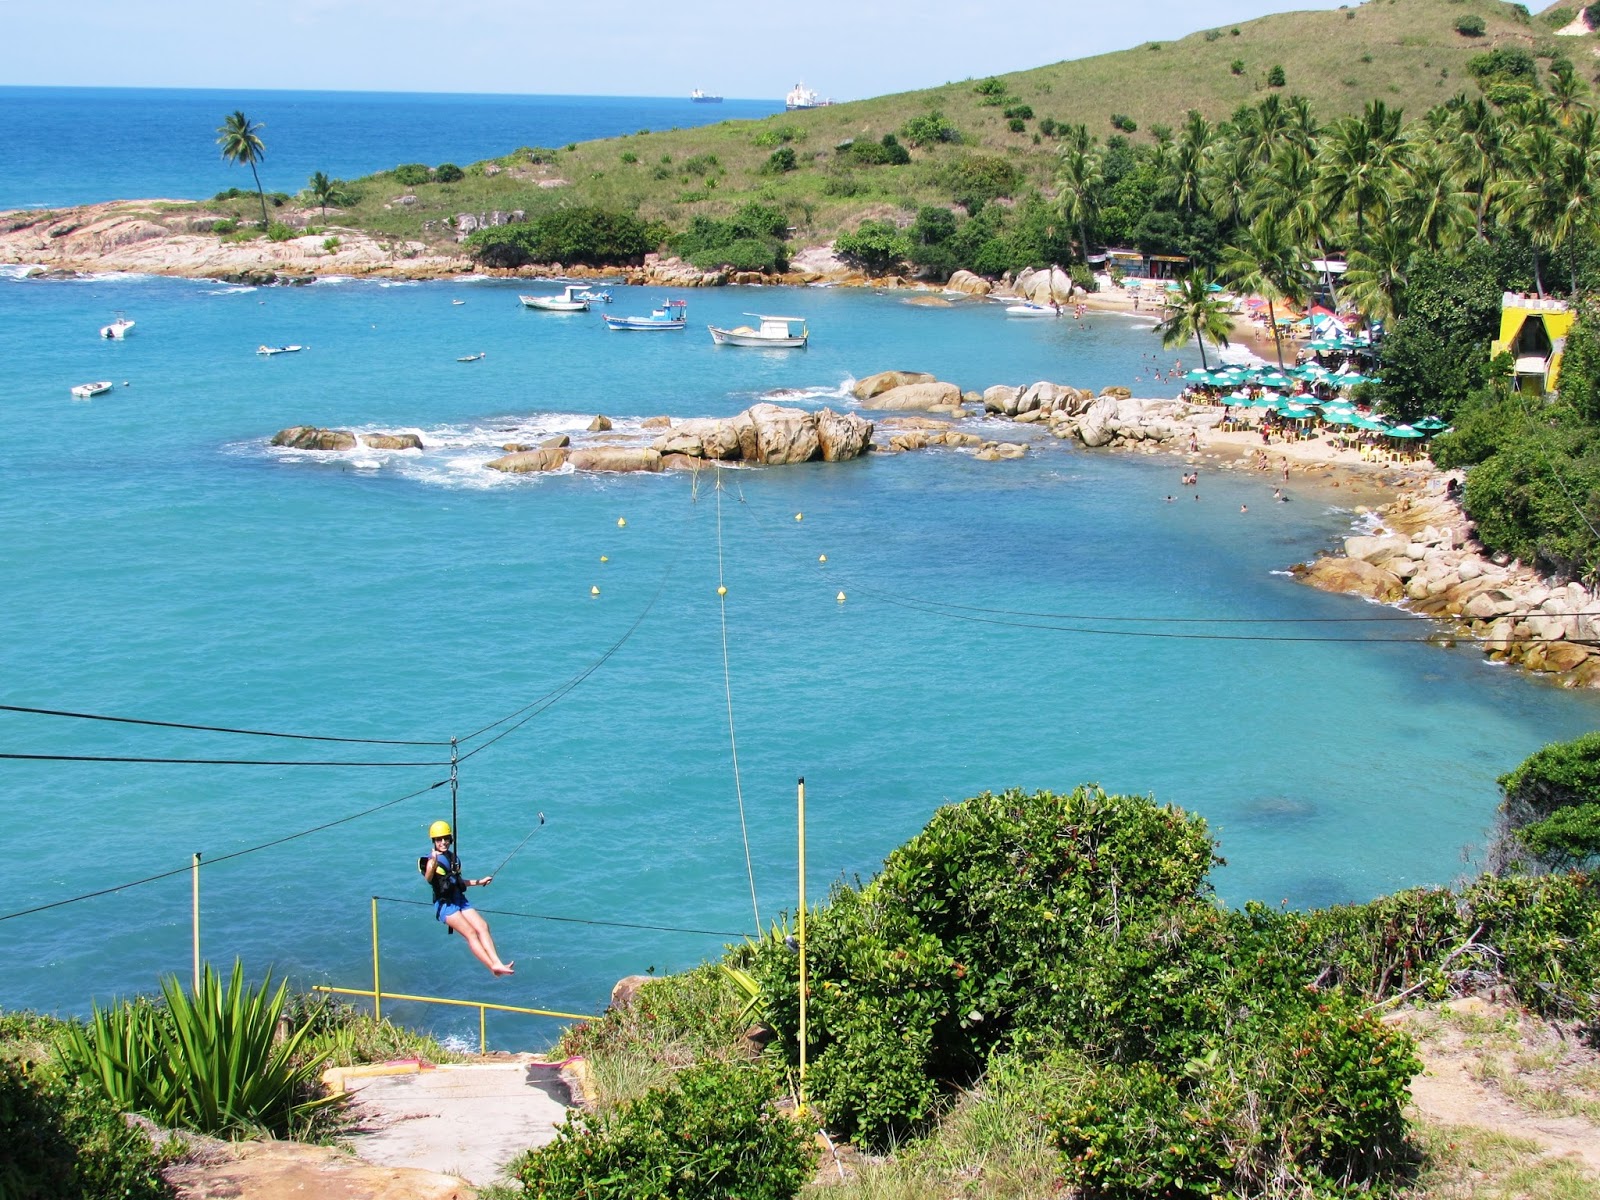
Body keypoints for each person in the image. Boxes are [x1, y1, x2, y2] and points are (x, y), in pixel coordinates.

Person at [422, 821, 513, 976]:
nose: (443, 842)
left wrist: (479, 881)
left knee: (483, 926)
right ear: (434, 841)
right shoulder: (430, 860)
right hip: (446, 905)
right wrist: (432, 864)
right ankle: (492, 967)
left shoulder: (452, 858)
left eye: (446, 838)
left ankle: (497, 961)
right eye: (439, 839)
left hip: (459, 899)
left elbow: (457, 882)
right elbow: (428, 878)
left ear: (450, 839)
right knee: (470, 933)